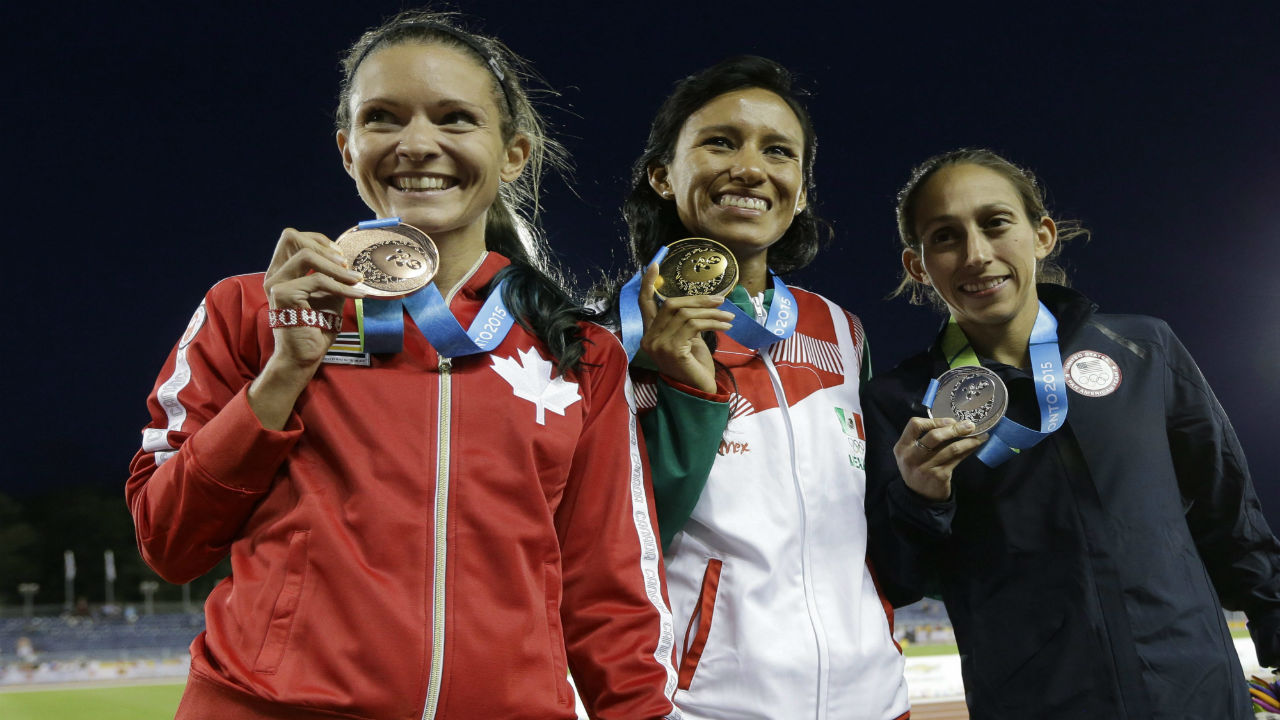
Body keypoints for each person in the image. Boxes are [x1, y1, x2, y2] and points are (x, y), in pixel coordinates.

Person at [126, 11, 680, 720]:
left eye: (454, 119)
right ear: (348, 149)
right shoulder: (248, 311)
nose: (418, 144)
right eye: (383, 118)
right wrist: (284, 372)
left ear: (513, 154)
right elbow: (167, 542)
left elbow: (612, 597)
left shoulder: (581, 352)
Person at [862, 148, 1280, 718]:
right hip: (1037, 704)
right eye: (945, 236)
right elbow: (900, 580)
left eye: (995, 223)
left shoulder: (1144, 349)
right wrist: (919, 499)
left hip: (1195, 693)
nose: (976, 254)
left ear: (1042, 235)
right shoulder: (901, 401)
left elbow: (1230, 514)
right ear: (919, 266)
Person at [619, 56, 909, 720]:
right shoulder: (611, 338)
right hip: (709, 706)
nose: (751, 167)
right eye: (720, 141)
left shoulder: (841, 331)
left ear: (800, 190)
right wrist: (687, 402)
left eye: (778, 151)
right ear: (664, 175)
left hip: (874, 700)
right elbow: (617, 547)